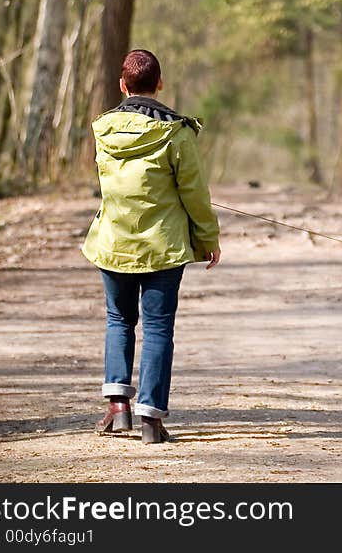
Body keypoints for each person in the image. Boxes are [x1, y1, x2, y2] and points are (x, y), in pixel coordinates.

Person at [81, 49, 221, 444]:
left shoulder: (102, 129)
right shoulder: (177, 132)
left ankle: (118, 406)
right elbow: (193, 191)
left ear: (122, 86)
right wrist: (208, 238)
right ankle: (150, 419)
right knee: (158, 328)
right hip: (162, 248)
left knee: (119, 320)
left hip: (113, 244)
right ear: (159, 84)